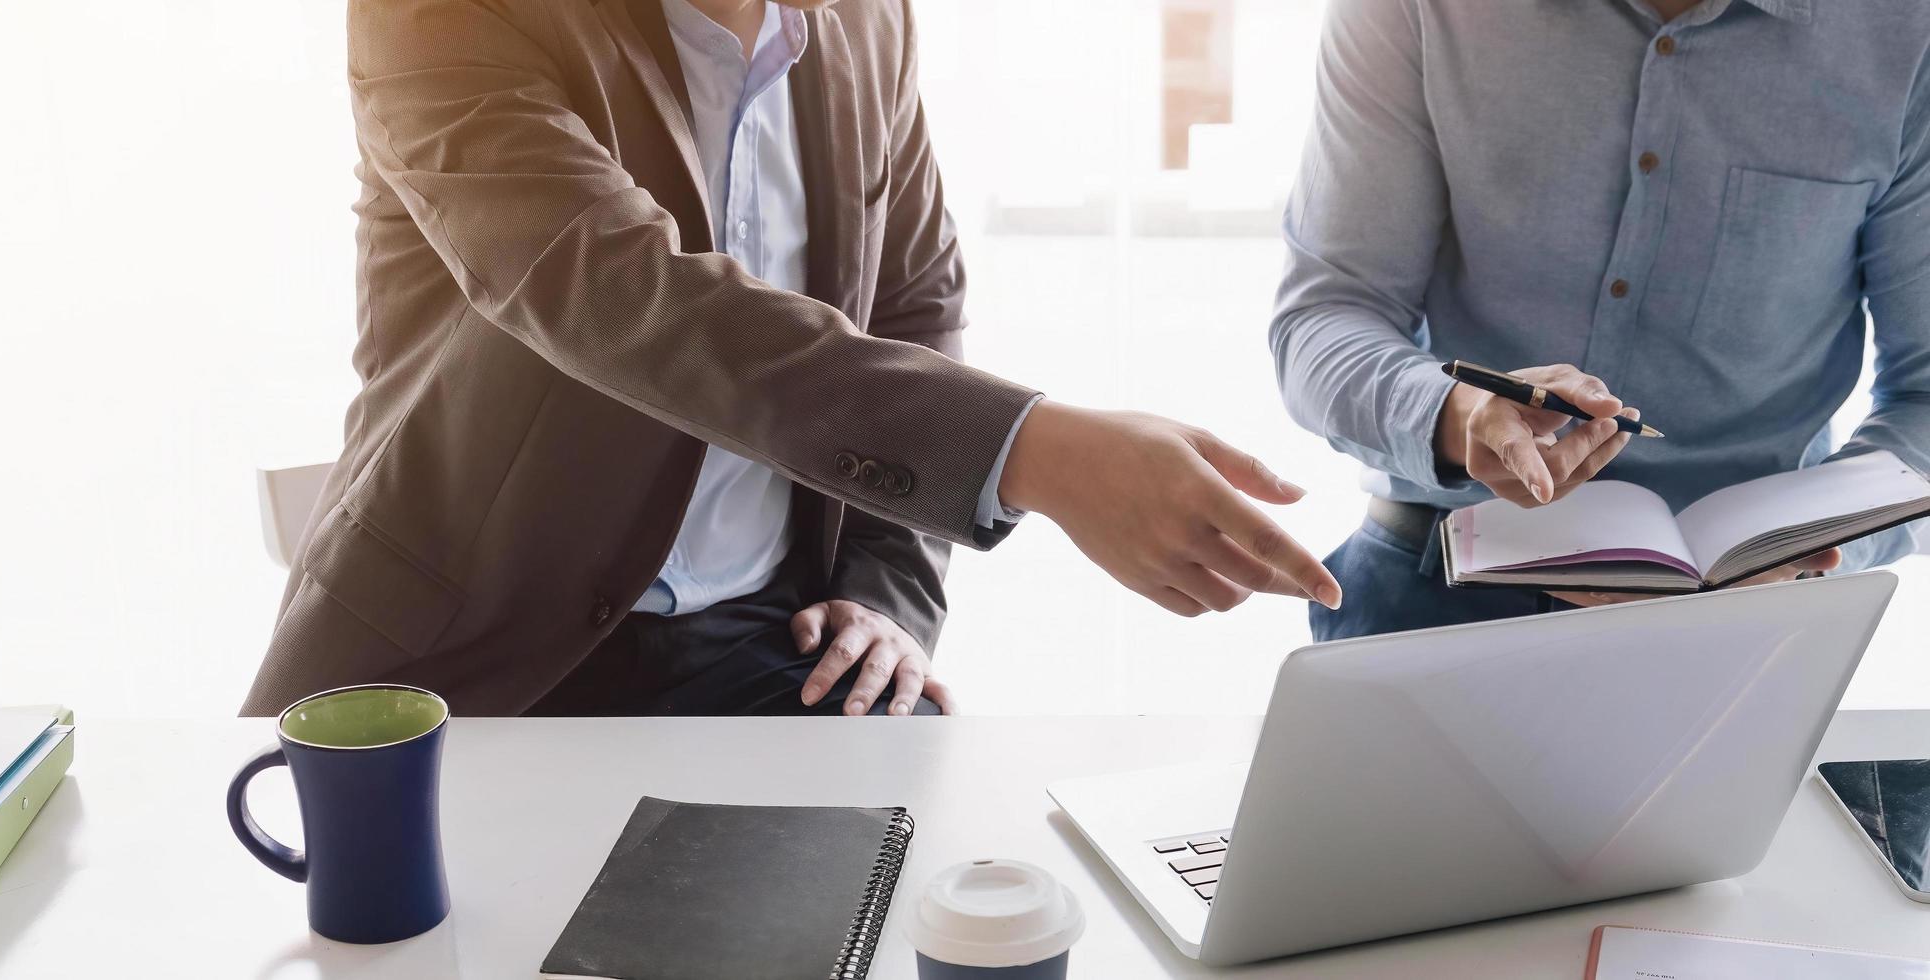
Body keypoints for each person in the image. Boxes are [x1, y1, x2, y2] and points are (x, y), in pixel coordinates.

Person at [240, 0, 1341, 718]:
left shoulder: (867, 21)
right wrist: (1034, 449)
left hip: (773, 637)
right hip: (467, 661)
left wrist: (887, 590)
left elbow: (914, 300)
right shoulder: (443, 14)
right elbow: (619, 297)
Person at [1271, 0, 1930, 641]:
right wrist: (1454, 414)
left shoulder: (1908, 34)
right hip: (1430, 587)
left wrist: (1815, 543)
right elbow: (1328, 316)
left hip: (1750, 617)